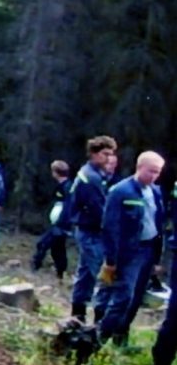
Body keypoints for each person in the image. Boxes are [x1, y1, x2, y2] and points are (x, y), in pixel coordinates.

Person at [97, 150, 168, 346]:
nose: (154, 176)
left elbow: (158, 223)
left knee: (137, 297)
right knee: (124, 297)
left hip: (149, 249)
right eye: (151, 171)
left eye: (158, 172)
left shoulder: (155, 192)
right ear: (140, 167)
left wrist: (157, 258)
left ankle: (121, 338)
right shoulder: (121, 191)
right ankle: (99, 339)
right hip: (129, 253)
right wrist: (111, 260)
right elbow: (110, 227)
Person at [63, 136, 118, 323]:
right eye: (105, 154)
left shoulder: (98, 174)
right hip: (90, 231)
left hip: (92, 230)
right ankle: (78, 314)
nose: (108, 158)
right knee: (89, 273)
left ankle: (86, 312)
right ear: (94, 154)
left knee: (89, 271)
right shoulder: (90, 177)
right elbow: (98, 209)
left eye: (111, 154)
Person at [30, 160, 72, 280]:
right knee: (57, 249)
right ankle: (60, 273)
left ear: (55, 172)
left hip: (61, 225)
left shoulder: (68, 187)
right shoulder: (61, 186)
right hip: (57, 223)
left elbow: (68, 207)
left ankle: (35, 267)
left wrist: (62, 223)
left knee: (43, 243)